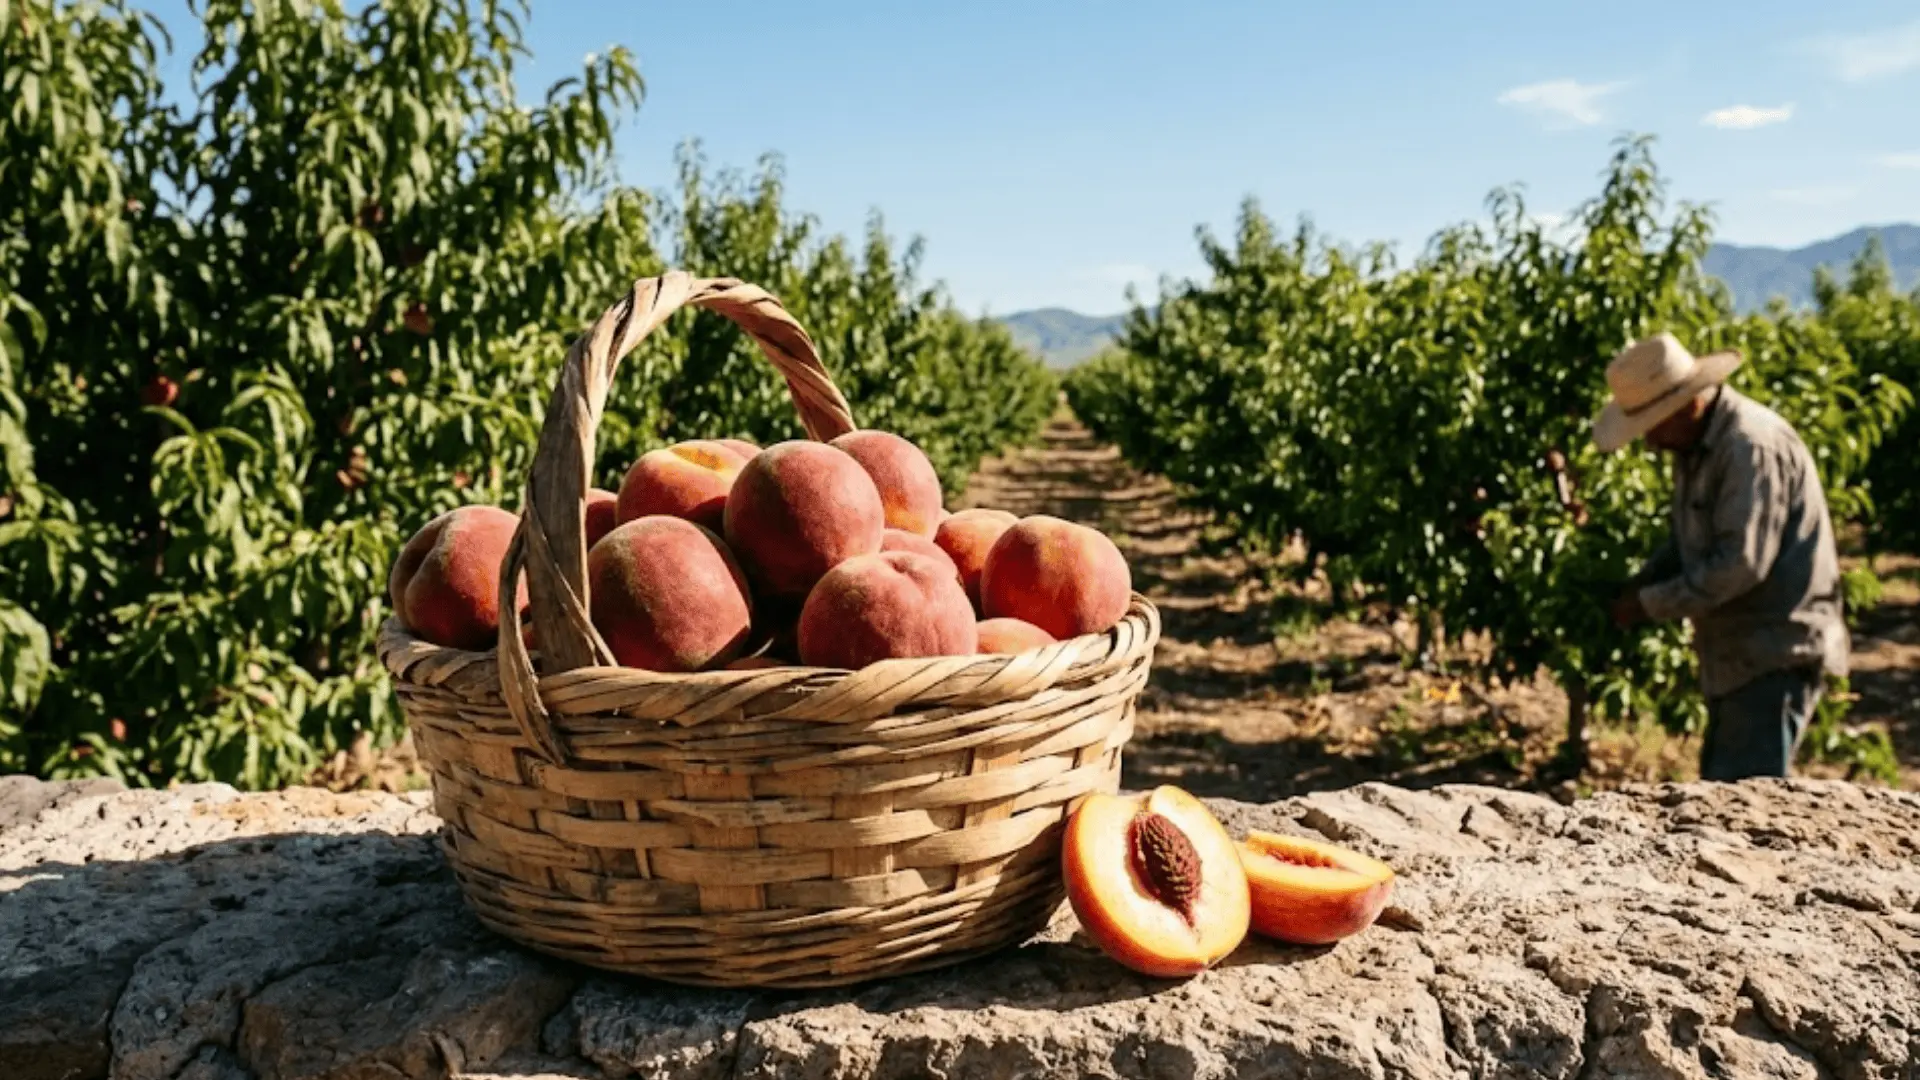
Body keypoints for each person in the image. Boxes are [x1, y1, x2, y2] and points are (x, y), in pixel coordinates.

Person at [1594, 333, 1849, 781]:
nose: (1650, 440)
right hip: (1737, 654)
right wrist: (1643, 581)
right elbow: (1687, 540)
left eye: (1652, 423)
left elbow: (1741, 563)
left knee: (1744, 799)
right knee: (1724, 791)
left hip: (1774, 652)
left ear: (1686, 404)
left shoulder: (1749, 446)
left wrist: (1648, 604)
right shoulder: (1694, 447)